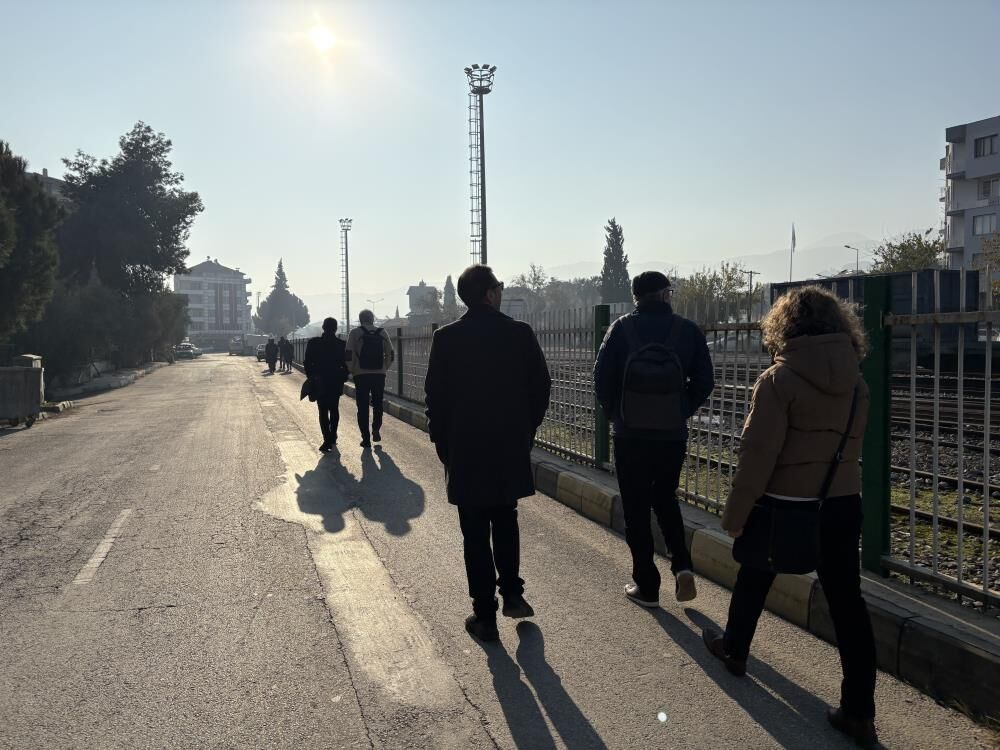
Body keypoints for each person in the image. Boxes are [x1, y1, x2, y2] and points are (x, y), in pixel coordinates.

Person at [701, 286, 877, 749]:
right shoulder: (857, 383)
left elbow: (758, 456)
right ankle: (859, 712)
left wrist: (736, 514)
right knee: (848, 604)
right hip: (843, 503)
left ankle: (734, 648)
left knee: (755, 573)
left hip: (784, 503)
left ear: (785, 326)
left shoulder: (778, 380)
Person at [425, 264, 551, 642]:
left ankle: (484, 617)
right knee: (506, 517)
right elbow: (540, 386)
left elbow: (435, 397)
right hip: (508, 444)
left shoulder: (446, 338)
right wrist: (525, 429)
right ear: (490, 294)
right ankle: (512, 592)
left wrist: (443, 443)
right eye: (499, 287)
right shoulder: (519, 333)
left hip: (465, 447)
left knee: (475, 531)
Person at [594, 271, 714, 608]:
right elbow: (705, 381)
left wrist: (617, 414)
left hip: (630, 435)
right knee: (665, 498)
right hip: (671, 436)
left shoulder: (621, 329)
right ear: (664, 295)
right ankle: (682, 565)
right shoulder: (687, 330)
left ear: (636, 297)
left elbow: (601, 379)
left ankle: (647, 585)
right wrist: (680, 409)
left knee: (635, 507)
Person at [347, 310, 395, 449]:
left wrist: (353, 370)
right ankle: (376, 429)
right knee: (378, 403)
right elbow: (391, 354)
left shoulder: (355, 333)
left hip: (361, 375)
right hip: (379, 375)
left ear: (360, 319)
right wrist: (383, 368)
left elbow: (348, 354)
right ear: (372, 319)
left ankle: (365, 438)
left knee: (362, 406)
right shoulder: (382, 332)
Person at [304, 318, 350, 452]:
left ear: (323, 328)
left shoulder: (313, 343)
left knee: (323, 411)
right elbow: (347, 364)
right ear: (335, 329)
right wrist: (343, 377)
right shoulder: (342, 344)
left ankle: (327, 439)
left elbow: (307, 362)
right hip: (335, 382)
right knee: (334, 409)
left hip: (319, 382)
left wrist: (311, 377)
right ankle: (332, 436)